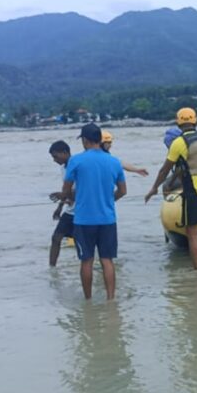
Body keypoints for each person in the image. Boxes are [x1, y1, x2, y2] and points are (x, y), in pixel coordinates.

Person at [144, 108, 197, 269]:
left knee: (192, 233)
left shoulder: (178, 143)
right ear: (195, 121)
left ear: (178, 123)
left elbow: (165, 169)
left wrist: (154, 188)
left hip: (193, 192)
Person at [61, 123, 126, 300]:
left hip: (83, 220)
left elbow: (66, 190)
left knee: (86, 260)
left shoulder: (76, 160)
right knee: (107, 260)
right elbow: (122, 191)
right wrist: (109, 200)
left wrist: (67, 198)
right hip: (107, 219)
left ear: (85, 140)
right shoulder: (114, 161)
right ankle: (111, 299)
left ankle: (88, 299)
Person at [48, 140, 75, 267]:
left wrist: (62, 195)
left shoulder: (77, 164)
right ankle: (52, 269)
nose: (54, 160)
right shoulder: (63, 168)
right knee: (56, 238)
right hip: (70, 211)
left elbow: (81, 187)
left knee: (82, 242)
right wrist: (59, 207)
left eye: (55, 156)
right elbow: (66, 188)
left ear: (64, 152)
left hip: (82, 211)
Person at [161, 127, 183, 194]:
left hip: (188, 177)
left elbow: (180, 169)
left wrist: (170, 184)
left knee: (165, 185)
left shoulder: (178, 150)